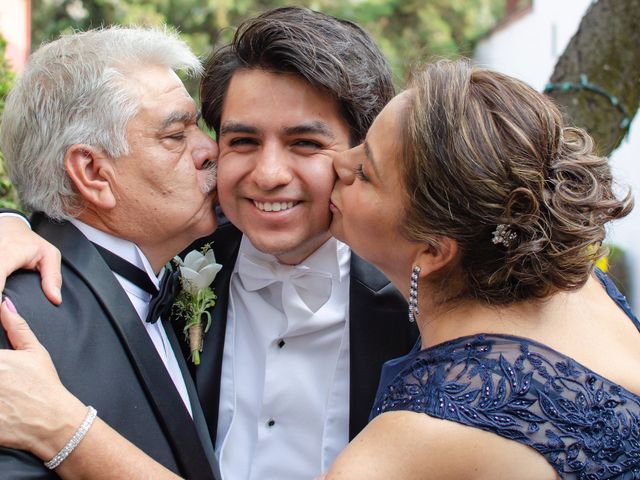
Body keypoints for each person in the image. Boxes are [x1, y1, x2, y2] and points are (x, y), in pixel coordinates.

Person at [0, 7, 417, 480]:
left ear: (358, 152)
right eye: (241, 141)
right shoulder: (174, 262)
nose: (269, 175)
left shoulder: (419, 301)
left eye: (304, 143)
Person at [323, 60, 640, 478]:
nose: (338, 162)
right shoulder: (581, 285)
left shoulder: (400, 451)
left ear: (434, 250)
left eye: (365, 172)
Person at [0, 27, 221, 479]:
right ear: (92, 173)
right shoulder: (16, 320)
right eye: (176, 135)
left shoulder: (209, 259)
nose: (210, 150)